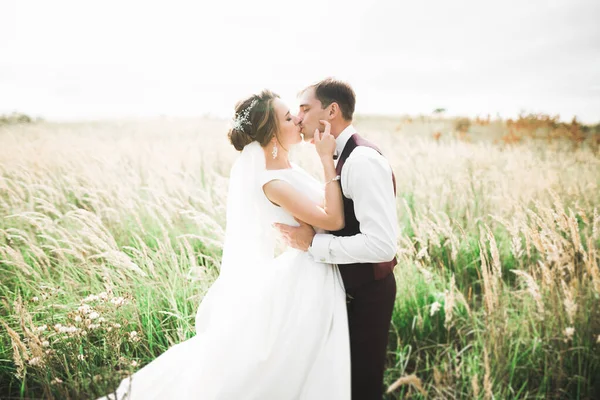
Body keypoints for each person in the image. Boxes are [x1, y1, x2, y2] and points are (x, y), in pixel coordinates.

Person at [97, 89, 351, 400]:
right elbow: (334, 221)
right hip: (309, 277)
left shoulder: (287, 169)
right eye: (288, 117)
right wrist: (326, 159)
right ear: (272, 133)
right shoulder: (274, 182)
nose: (298, 119)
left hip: (313, 269)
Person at [275, 78, 399, 399]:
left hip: (367, 293)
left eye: (305, 108)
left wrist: (313, 244)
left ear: (331, 110)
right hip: (345, 290)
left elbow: (382, 245)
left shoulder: (362, 161)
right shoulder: (336, 154)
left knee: (361, 385)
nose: (298, 118)